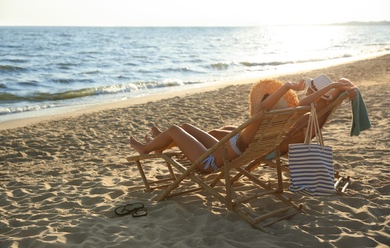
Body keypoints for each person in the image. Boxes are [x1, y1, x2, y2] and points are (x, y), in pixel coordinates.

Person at [130, 74, 357, 173]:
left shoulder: (256, 121)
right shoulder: (272, 121)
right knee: (187, 128)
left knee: (175, 129)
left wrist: (288, 86)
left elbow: (269, 106)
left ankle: (148, 147)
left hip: (210, 161)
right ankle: (160, 144)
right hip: (224, 151)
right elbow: (302, 102)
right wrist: (329, 87)